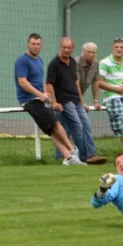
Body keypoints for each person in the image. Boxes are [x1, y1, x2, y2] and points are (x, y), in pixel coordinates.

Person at [14, 33, 85, 166]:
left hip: (40, 99)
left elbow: (40, 81)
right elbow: (23, 82)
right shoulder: (22, 61)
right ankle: (72, 149)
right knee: (56, 124)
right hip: (30, 100)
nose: (36, 47)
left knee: (51, 130)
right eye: (33, 44)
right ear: (28, 44)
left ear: (41, 46)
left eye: (38, 44)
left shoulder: (39, 60)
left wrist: (45, 95)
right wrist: (39, 95)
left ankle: (69, 158)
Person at [46, 37, 107, 165]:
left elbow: (75, 82)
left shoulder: (72, 62)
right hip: (64, 101)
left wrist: (84, 101)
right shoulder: (54, 64)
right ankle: (85, 157)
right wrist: (54, 102)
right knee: (76, 127)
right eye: (64, 47)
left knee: (77, 126)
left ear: (72, 49)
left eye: (69, 48)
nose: (67, 50)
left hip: (76, 100)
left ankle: (66, 156)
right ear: (60, 47)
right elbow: (49, 85)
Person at [76, 42, 102, 111]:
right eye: (88, 52)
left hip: (78, 98)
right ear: (83, 52)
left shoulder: (95, 63)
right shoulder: (76, 62)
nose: (91, 54)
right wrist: (82, 103)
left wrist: (95, 101)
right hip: (67, 97)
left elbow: (95, 82)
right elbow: (76, 84)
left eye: (93, 52)